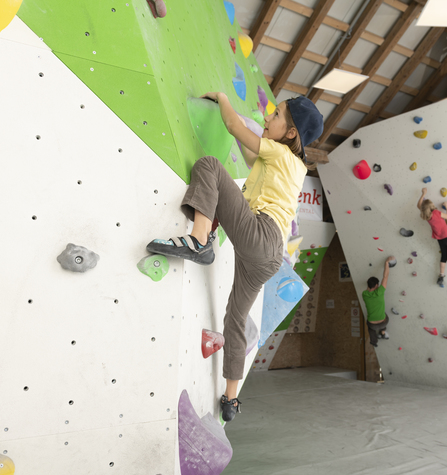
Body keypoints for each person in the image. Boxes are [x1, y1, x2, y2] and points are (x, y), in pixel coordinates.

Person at [146, 93, 323, 422]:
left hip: (261, 235)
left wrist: (223, 99)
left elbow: (232, 126)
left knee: (210, 166)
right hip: (268, 256)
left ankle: (199, 240)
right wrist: (249, 129)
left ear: (291, 133)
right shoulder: (288, 163)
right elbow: (247, 148)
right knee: (235, 320)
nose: (268, 117)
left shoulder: (281, 154)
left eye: (276, 115)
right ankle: (231, 398)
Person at [363, 256, 395, 347]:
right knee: (384, 314)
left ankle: (374, 341)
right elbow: (385, 277)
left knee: (370, 327)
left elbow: (368, 289)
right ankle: (383, 332)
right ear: (377, 285)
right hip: (383, 322)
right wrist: (386, 263)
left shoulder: (364, 294)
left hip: (372, 325)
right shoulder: (380, 292)